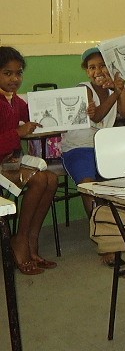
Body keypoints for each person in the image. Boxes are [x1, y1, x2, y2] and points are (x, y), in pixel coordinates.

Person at [61, 47, 125, 266]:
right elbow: (99, 116)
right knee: (88, 185)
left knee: (121, 182)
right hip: (78, 147)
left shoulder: (115, 88)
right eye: (92, 67)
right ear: (86, 72)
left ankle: (118, 231)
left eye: (102, 65)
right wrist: (115, 93)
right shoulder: (83, 89)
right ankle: (104, 240)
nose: (98, 71)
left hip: (104, 146)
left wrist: (120, 89)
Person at [0, 46, 58, 275]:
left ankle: (31, 239)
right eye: (7, 73)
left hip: (12, 160)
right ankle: (20, 241)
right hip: (2, 163)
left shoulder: (14, 100)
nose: (15, 78)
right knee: (39, 180)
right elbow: (19, 131)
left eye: (19, 73)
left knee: (51, 179)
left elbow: (34, 114)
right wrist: (19, 133)